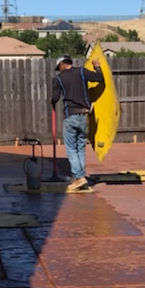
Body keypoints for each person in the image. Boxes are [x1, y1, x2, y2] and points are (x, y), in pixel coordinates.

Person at [50, 54, 104, 192]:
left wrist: (53, 100)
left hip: (71, 116)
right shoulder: (82, 71)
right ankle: (80, 178)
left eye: (59, 67)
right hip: (85, 116)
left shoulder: (59, 79)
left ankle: (79, 177)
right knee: (80, 147)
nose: (59, 70)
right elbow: (99, 78)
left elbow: (55, 98)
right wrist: (97, 66)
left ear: (62, 64)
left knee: (71, 149)